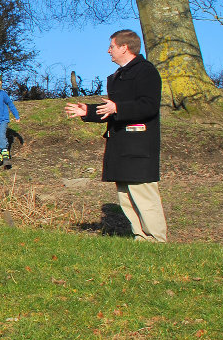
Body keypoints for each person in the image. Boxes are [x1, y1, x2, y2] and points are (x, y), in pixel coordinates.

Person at [64, 29, 167, 242]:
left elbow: (148, 106)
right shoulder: (119, 76)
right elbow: (112, 110)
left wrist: (118, 107)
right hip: (120, 147)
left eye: (111, 46)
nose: (108, 51)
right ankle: (141, 237)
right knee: (126, 197)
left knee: (144, 196)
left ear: (124, 47)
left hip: (138, 147)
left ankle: (157, 240)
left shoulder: (146, 72)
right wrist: (88, 112)